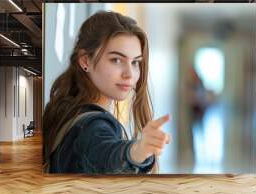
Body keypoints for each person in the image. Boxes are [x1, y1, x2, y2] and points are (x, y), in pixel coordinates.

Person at [43, 10, 170, 174]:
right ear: (85, 60)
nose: (129, 74)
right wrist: (136, 152)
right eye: (116, 60)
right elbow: (105, 152)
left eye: (135, 62)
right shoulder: (92, 125)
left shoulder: (66, 110)